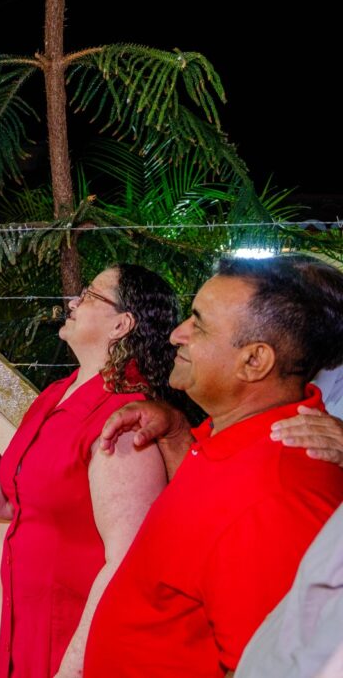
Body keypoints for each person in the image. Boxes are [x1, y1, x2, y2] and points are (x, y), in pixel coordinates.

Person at [83, 255, 343, 677]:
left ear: (254, 361)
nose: (176, 334)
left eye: (199, 325)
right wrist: (177, 435)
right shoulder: (234, 436)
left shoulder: (277, 500)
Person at [0, 263, 180, 677]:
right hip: (28, 630)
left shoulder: (125, 419)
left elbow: (126, 560)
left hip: (77, 644)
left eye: (90, 295)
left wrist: (73, 667)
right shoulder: (57, 394)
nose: (73, 302)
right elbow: (6, 504)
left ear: (121, 325)